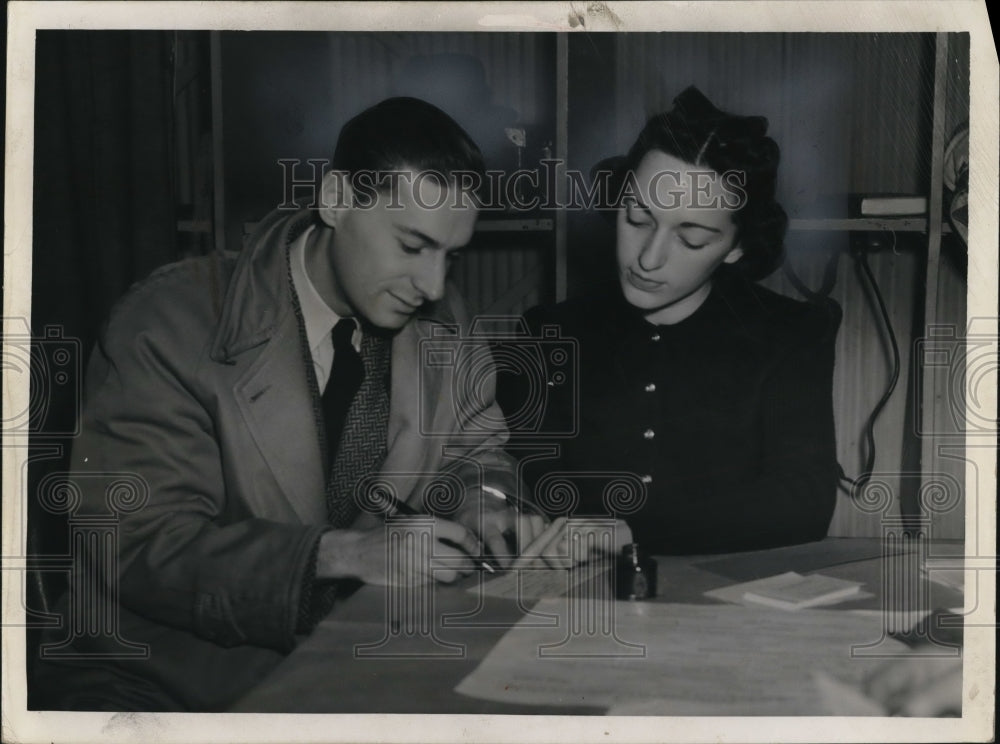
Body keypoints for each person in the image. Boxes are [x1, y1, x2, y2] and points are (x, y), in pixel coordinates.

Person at [36, 97, 545, 711]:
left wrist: (484, 505)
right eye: (412, 246)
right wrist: (340, 554)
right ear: (335, 200)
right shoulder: (169, 322)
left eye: (451, 255)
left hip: (345, 669)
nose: (435, 286)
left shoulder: (444, 320)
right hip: (163, 685)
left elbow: (478, 454)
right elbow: (141, 544)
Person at [499, 86, 842, 555]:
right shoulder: (547, 333)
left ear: (737, 247)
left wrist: (632, 531)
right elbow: (512, 477)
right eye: (637, 218)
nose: (648, 258)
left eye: (693, 239)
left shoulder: (793, 333)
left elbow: (804, 502)